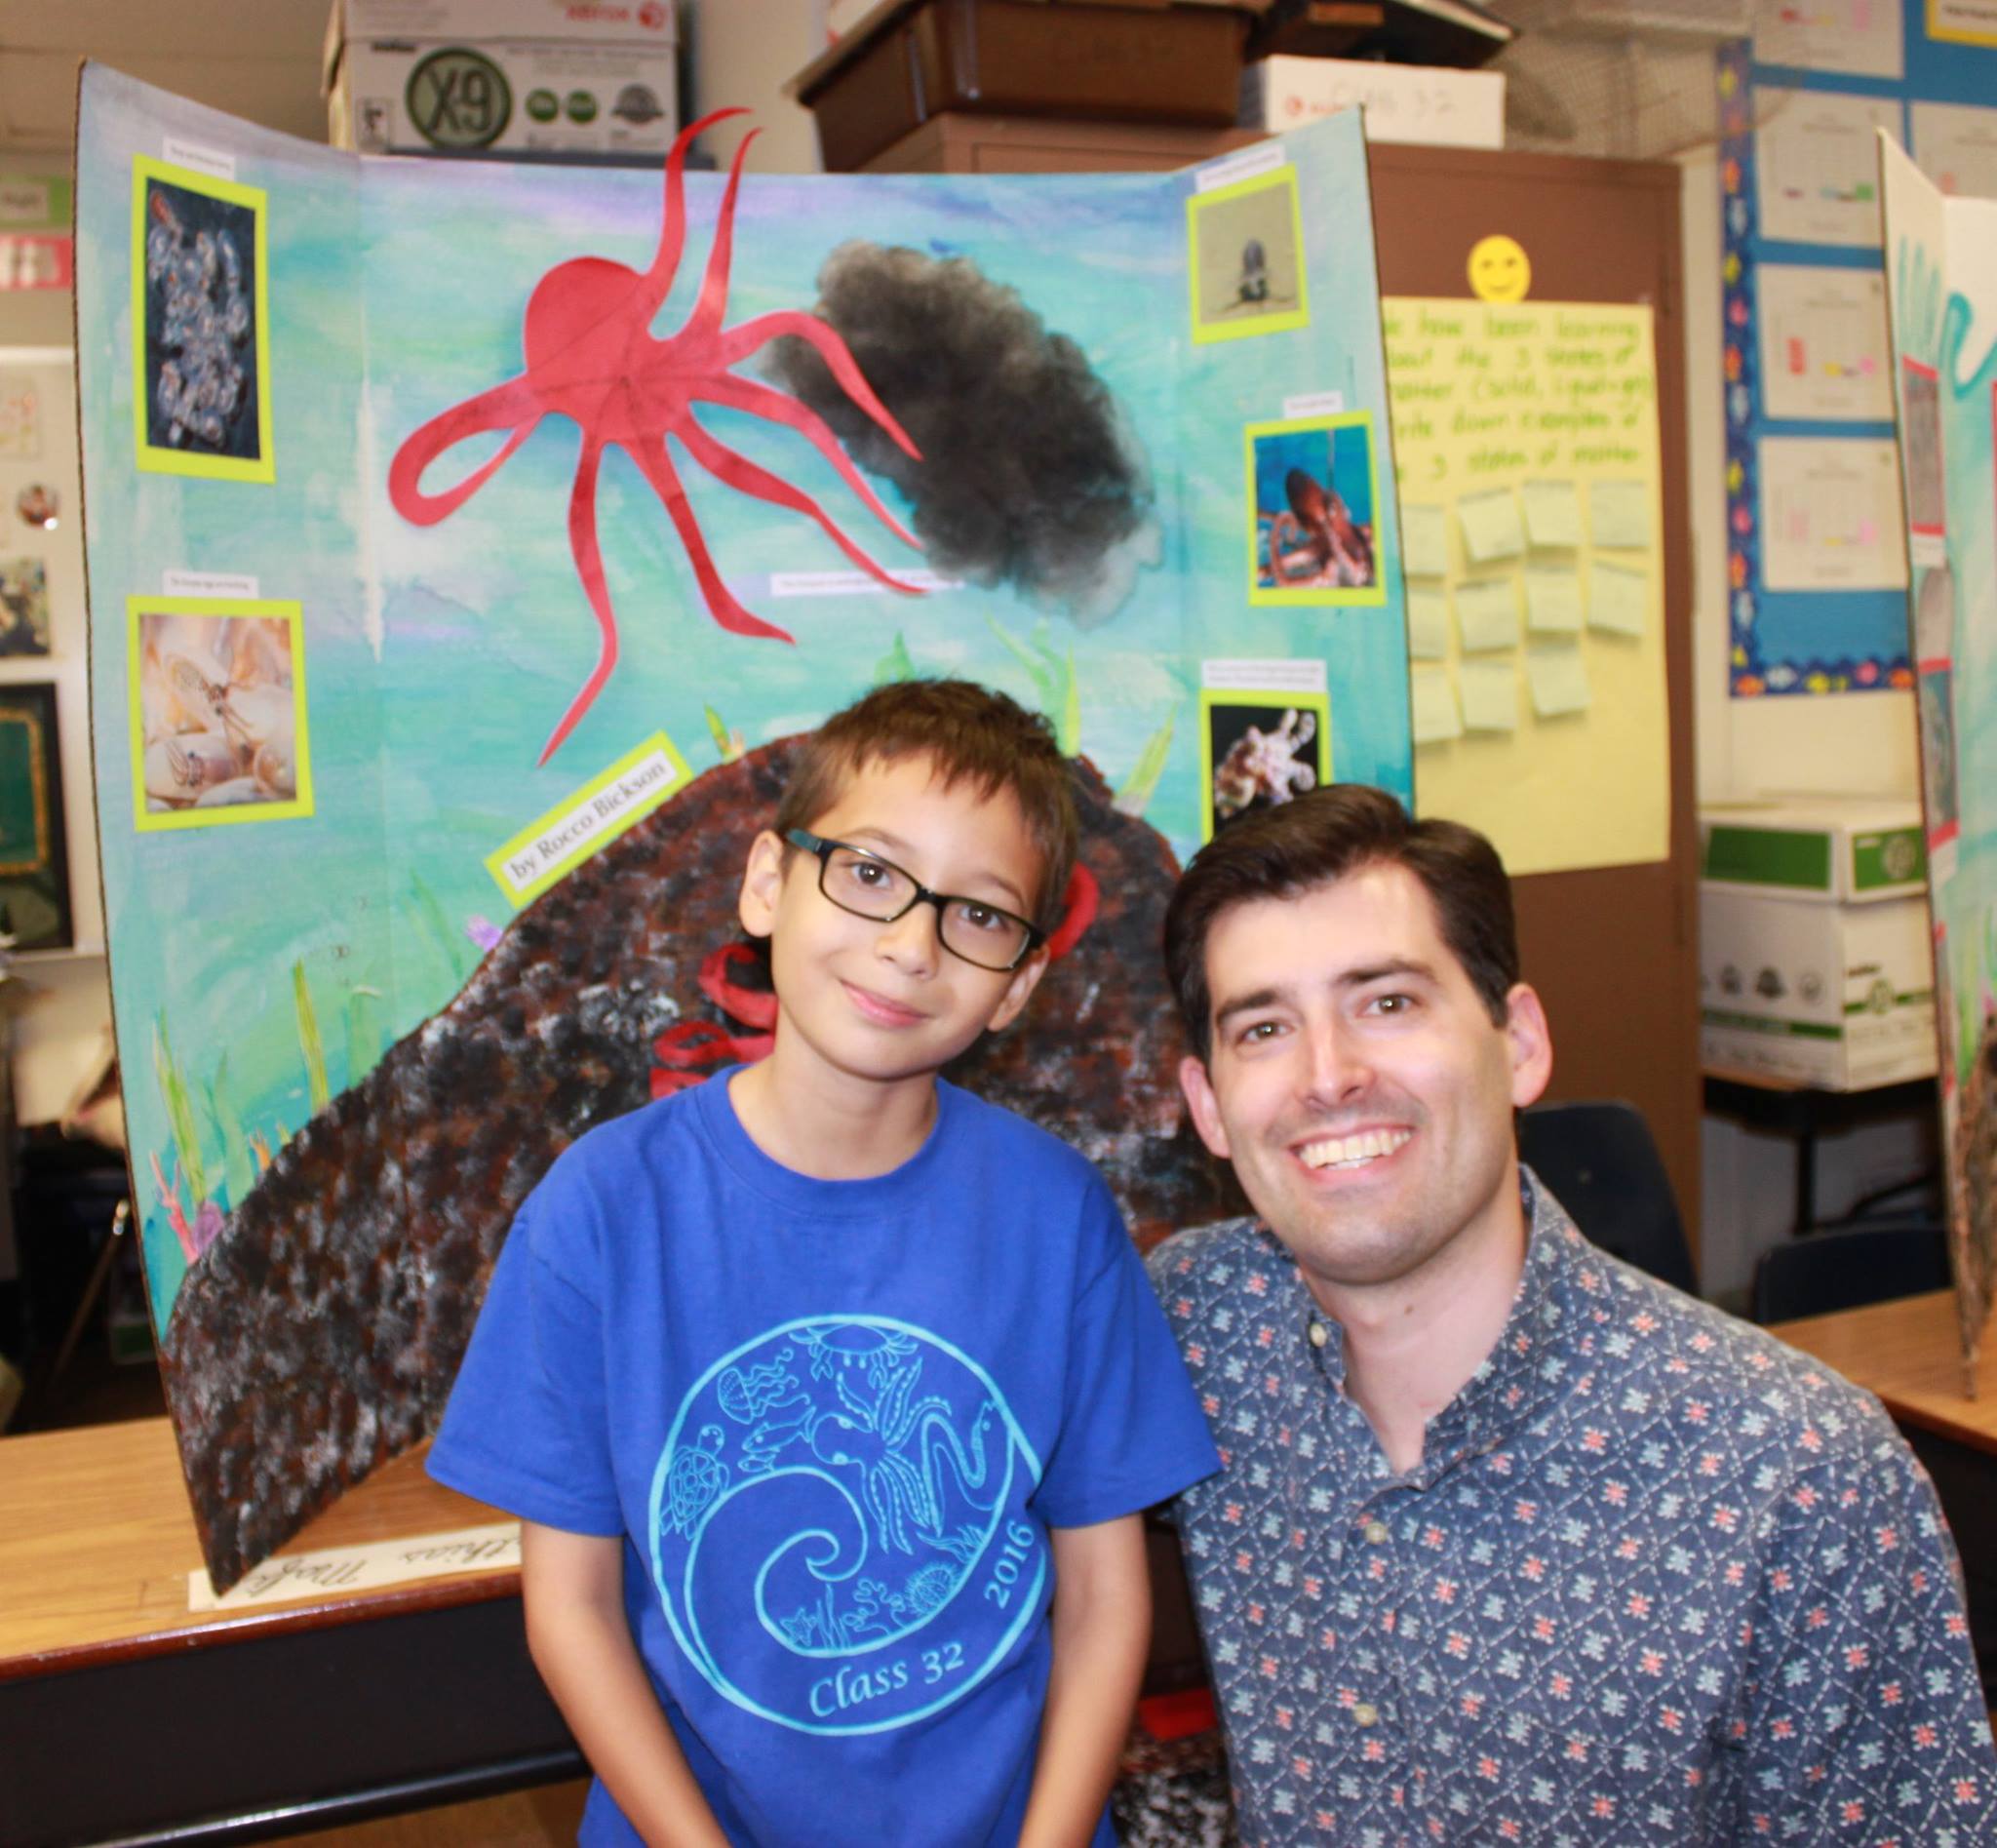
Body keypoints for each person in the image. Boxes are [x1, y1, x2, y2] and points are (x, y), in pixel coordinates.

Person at [429, 680, 1218, 1847]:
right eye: (869, 872)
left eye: (978, 914)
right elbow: (571, 1608)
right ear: (767, 881)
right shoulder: (600, 1209)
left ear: (1018, 981)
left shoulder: (1058, 1217)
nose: (909, 944)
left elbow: (1105, 1597)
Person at [1148, 784, 1997, 1845]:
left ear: (1520, 1044)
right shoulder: (1194, 1328)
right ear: (1208, 1105)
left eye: (1387, 1002)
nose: (1329, 1076)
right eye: (1265, 1027)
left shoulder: (1799, 1476)